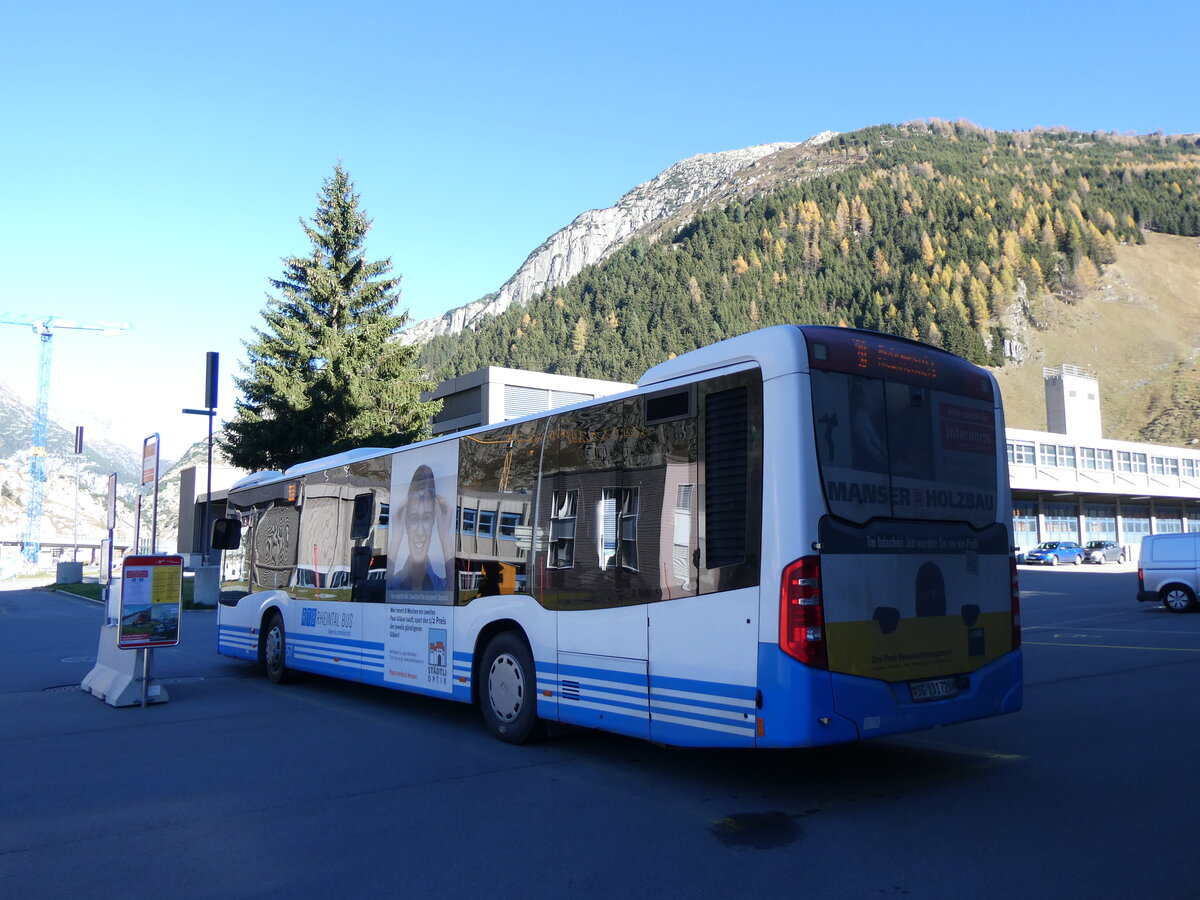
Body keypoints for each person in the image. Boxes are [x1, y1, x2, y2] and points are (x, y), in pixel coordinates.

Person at [394, 465, 454, 591]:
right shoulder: (392, 585)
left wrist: (445, 536)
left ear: (433, 521)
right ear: (406, 522)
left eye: (426, 518)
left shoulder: (443, 587)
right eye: (414, 519)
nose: (420, 532)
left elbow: (452, 594)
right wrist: (395, 541)